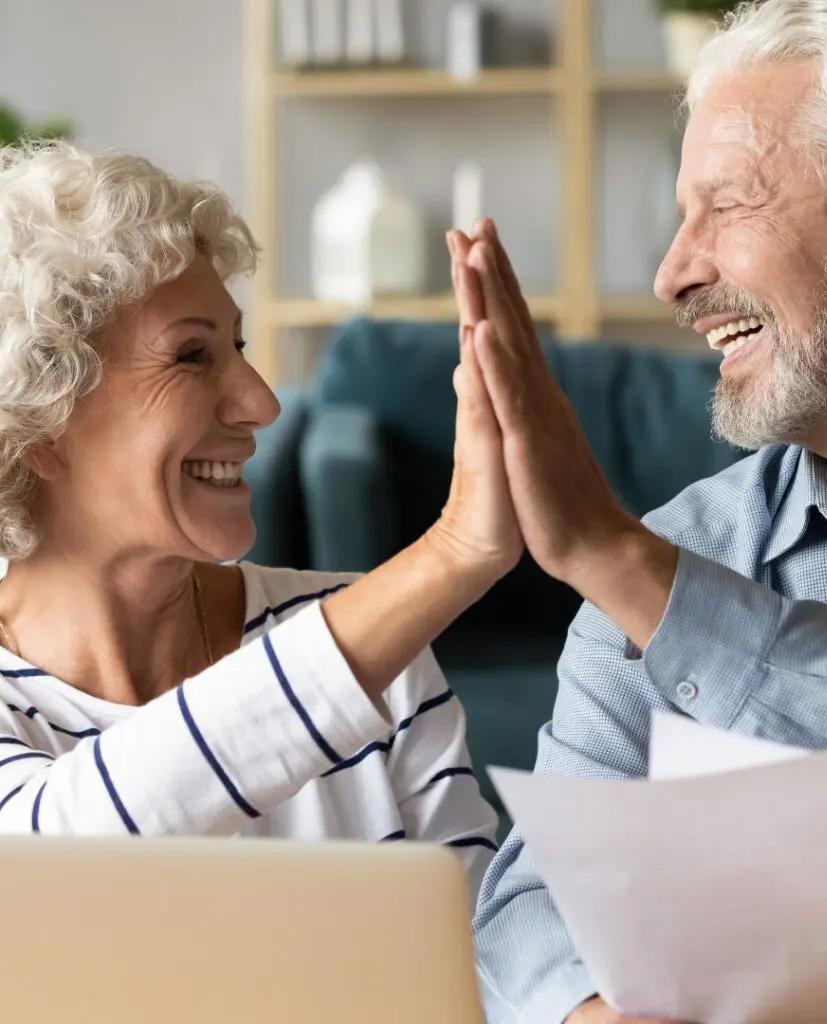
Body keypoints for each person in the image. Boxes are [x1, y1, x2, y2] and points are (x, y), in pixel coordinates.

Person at [453, 0, 827, 1020]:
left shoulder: (640, 572)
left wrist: (624, 570)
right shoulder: (676, 553)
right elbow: (530, 911)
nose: (675, 271)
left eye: (728, 205)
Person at [0, 141, 524, 901]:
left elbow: (483, 956)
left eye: (237, 346)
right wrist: (452, 554)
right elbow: (44, 869)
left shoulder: (379, 651)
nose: (261, 404)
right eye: (191, 356)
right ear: (39, 420)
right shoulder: (364, 640)